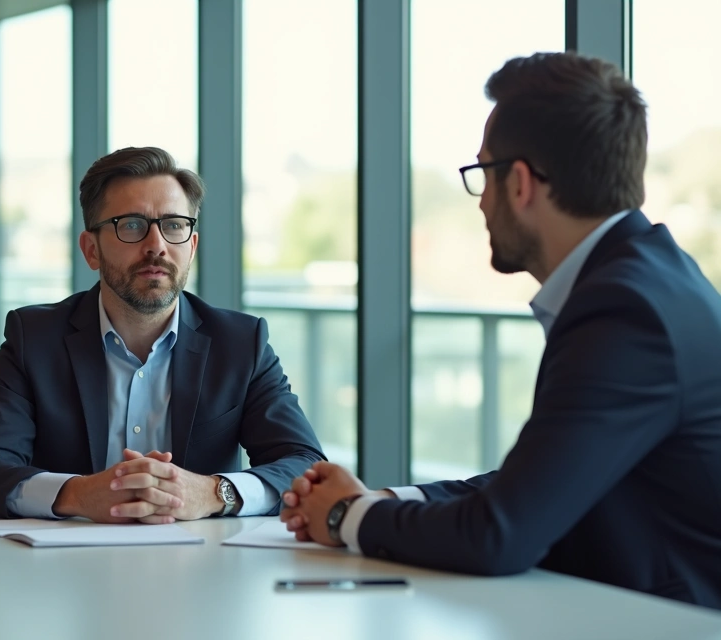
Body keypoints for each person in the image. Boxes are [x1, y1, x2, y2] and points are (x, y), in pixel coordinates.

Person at [280, 52, 721, 609]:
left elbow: (500, 535)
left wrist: (347, 515)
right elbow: (540, 480)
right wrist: (386, 498)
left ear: (519, 183)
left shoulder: (626, 312)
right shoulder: (650, 279)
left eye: (482, 173)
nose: (481, 200)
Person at [0, 146, 324, 522]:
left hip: (206, 568)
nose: (157, 246)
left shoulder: (241, 343)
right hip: (68, 568)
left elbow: (305, 467)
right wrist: (78, 494)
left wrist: (214, 492)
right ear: (91, 250)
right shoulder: (35, 339)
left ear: (191, 247)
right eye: (131, 225)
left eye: (174, 225)